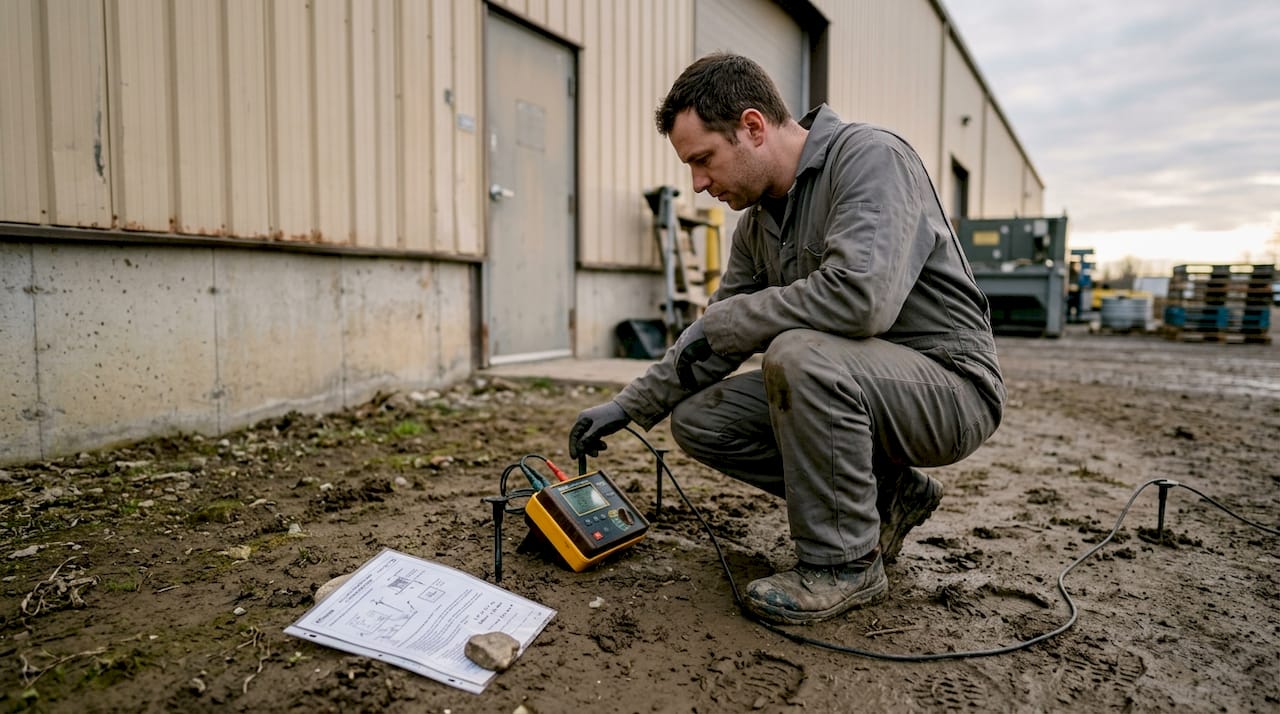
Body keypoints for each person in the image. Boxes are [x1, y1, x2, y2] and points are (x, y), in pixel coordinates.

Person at [568, 53, 1005, 625]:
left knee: (798, 355)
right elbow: (715, 334)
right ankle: (888, 497)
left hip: (949, 388)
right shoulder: (758, 226)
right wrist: (628, 406)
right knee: (703, 418)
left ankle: (845, 564)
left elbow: (861, 299)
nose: (698, 185)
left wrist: (741, 321)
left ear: (752, 127)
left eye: (703, 161)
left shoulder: (871, 158)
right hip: (861, 383)